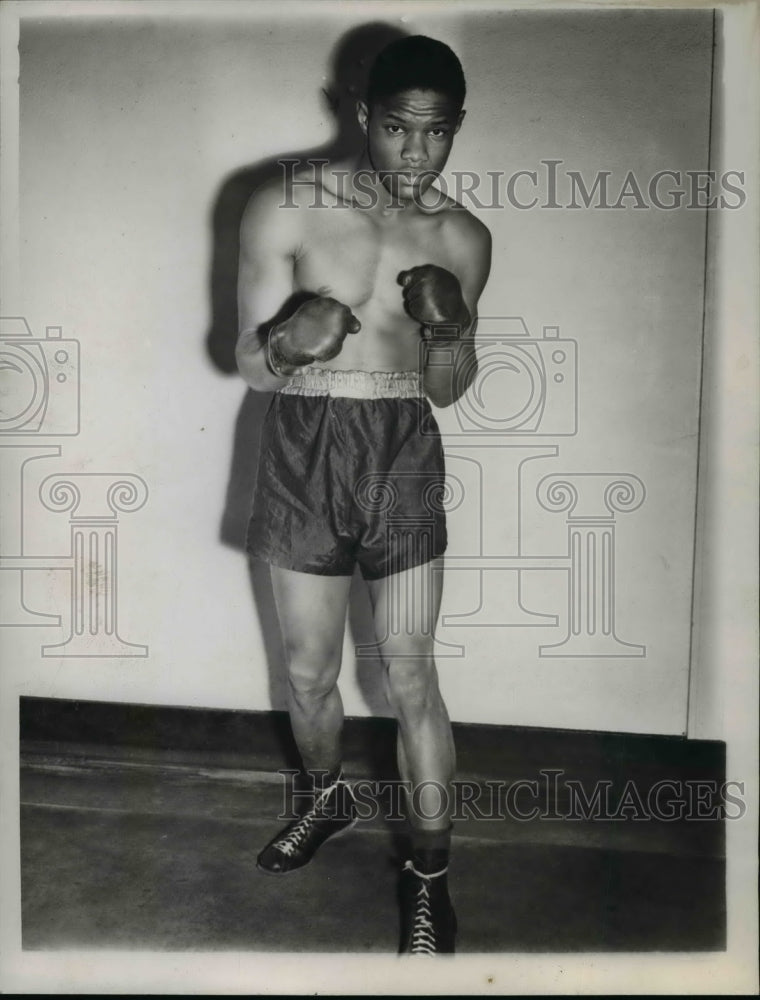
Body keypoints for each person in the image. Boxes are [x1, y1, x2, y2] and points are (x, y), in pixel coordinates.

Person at [235, 34, 491, 955]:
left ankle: (430, 880)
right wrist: (287, 342)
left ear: (457, 130)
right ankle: (327, 797)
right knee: (308, 673)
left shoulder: (463, 236)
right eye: (397, 129)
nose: (416, 154)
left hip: (403, 457)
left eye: (437, 134)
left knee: (410, 671)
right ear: (360, 115)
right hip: (303, 447)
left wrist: (452, 326)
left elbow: (447, 388)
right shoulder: (284, 205)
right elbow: (246, 367)